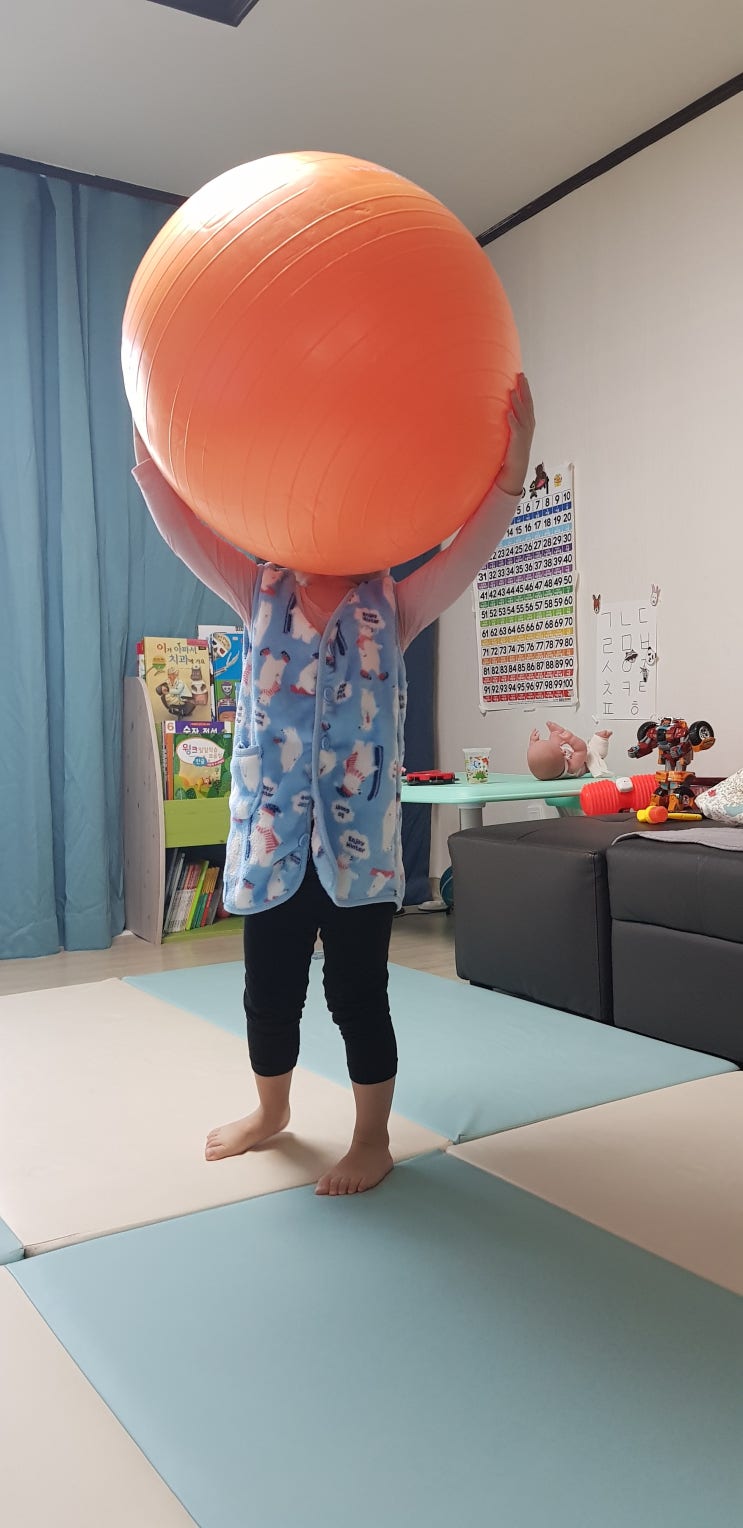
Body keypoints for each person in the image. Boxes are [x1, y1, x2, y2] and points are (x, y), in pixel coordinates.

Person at [132, 375, 535, 1196]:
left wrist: (511, 467)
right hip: (272, 844)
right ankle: (271, 1110)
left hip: (359, 856)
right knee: (268, 993)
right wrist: (149, 442)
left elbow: (470, 548)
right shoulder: (257, 590)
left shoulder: (397, 603)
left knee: (357, 996)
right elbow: (180, 525)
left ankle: (370, 1138)